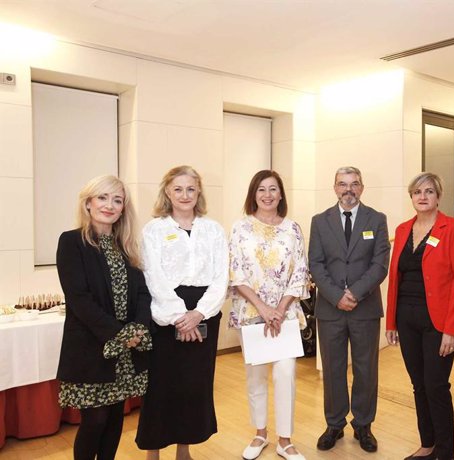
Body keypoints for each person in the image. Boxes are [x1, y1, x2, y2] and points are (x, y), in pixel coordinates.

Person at [135, 166, 228, 460]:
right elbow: (153, 275)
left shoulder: (213, 229)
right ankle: (153, 452)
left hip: (204, 312)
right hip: (166, 314)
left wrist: (199, 314)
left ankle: (184, 450)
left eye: (190, 188)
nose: (184, 195)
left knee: (193, 387)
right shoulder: (154, 229)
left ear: (198, 191)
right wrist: (180, 316)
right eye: (178, 189)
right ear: (167, 192)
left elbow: (221, 277)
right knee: (161, 387)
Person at [56, 175, 152, 460]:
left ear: (123, 208)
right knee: (95, 421)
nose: (109, 205)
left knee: (114, 419)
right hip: (91, 348)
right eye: (102, 198)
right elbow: (78, 299)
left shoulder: (127, 246)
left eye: (117, 200)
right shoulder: (72, 242)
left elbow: (143, 294)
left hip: (126, 352)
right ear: (88, 203)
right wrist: (120, 333)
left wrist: (138, 328)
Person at [385, 172, 454, 460]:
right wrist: (391, 321)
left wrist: (453, 329)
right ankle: (428, 444)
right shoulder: (402, 229)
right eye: (417, 192)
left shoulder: (453, 228)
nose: (422, 196)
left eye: (429, 191)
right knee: (418, 384)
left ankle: (446, 452)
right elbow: (395, 278)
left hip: (438, 320)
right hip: (406, 317)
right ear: (411, 197)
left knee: (436, 385)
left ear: (438, 196)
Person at [228, 170, 310, 460]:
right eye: (261, 189)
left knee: (286, 373)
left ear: (281, 194)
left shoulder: (293, 229)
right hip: (251, 314)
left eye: (273, 189)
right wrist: (263, 308)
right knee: (256, 376)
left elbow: (300, 271)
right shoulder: (240, 228)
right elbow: (236, 273)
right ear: (253, 194)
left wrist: (280, 308)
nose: (267, 195)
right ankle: (260, 433)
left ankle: (285, 440)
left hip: (285, 315)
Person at [309, 166, 390, 452]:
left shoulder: (377, 219)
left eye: (354, 184)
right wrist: (335, 296)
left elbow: (380, 264)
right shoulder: (319, 221)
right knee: (333, 369)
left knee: (366, 369)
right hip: (330, 309)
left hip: (364, 308)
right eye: (343, 184)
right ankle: (334, 424)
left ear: (362, 187)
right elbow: (315, 264)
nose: (348, 190)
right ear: (334, 188)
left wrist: (354, 293)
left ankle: (363, 425)